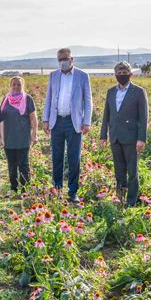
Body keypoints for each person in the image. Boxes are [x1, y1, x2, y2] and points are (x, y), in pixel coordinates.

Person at [42, 47, 93, 203]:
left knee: (73, 158)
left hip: (74, 121)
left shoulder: (82, 76)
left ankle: (73, 191)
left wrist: (87, 122)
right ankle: (57, 189)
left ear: (72, 59)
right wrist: (45, 119)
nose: (63, 62)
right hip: (56, 121)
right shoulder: (53, 76)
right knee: (56, 156)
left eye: (65, 58)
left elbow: (88, 101)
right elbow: (49, 99)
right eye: (60, 59)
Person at [99, 61, 148, 207]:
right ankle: (120, 198)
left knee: (132, 172)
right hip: (115, 137)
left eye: (124, 73)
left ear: (130, 74)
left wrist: (141, 138)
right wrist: (103, 135)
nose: (122, 76)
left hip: (132, 138)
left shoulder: (139, 92)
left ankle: (131, 202)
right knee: (119, 171)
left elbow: (143, 117)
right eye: (119, 74)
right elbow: (106, 114)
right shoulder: (111, 92)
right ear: (115, 75)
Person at [0, 76, 37, 194]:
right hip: (8, 137)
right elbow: (1, 119)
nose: (16, 87)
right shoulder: (6, 99)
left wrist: (34, 134)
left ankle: (25, 189)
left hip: (23, 137)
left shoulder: (28, 99)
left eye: (18, 84)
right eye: (14, 84)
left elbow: (33, 119)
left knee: (23, 164)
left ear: (22, 86)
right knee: (11, 164)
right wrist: (0, 136)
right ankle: (13, 188)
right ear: (10, 86)